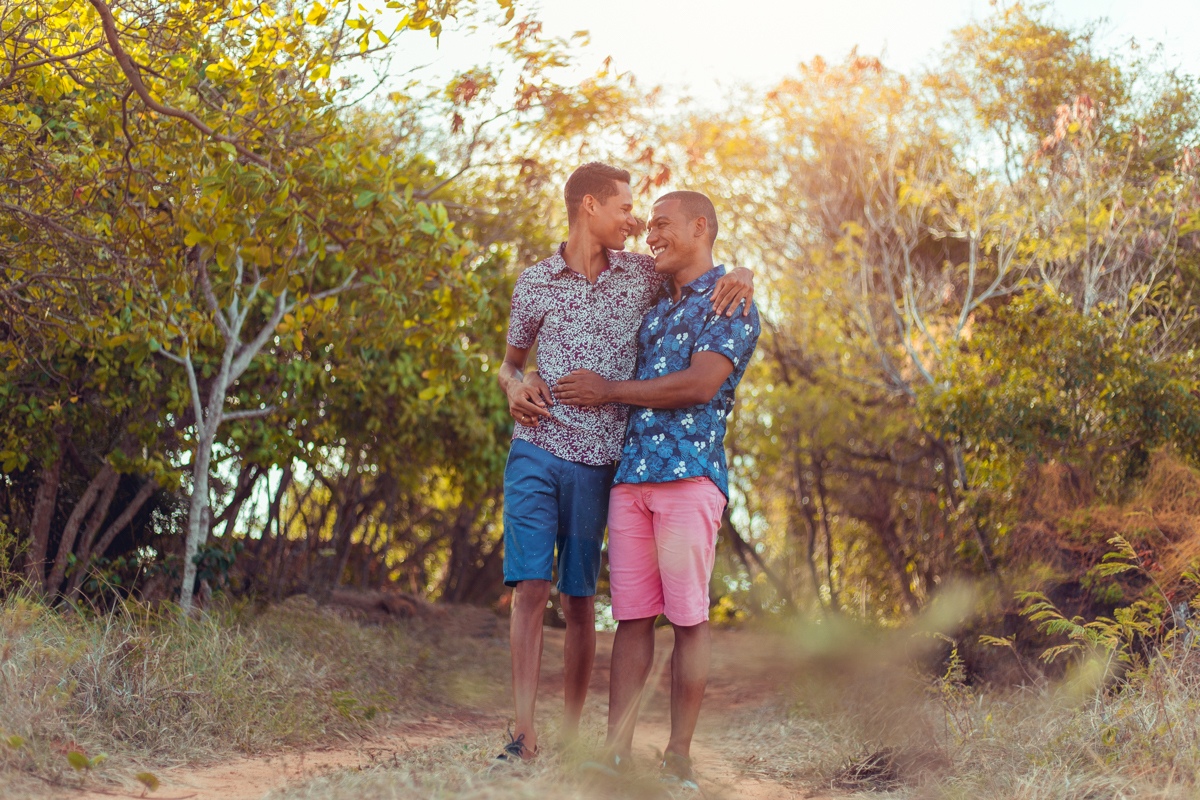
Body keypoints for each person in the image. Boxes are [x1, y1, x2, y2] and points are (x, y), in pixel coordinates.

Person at [495, 165, 755, 762]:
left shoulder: (655, 279)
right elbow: (510, 362)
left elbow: (699, 350)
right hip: (577, 459)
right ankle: (544, 739)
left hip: (627, 467)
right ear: (590, 206)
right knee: (562, 596)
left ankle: (621, 746)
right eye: (629, 213)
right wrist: (516, 382)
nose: (639, 226)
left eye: (651, 218)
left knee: (594, 601)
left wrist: (742, 272)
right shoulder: (548, 285)